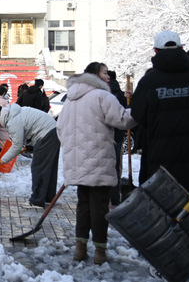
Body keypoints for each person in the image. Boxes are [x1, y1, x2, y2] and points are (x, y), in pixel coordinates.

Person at [130, 31, 189, 282]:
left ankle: (174, 270)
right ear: (182, 49)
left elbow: (138, 116)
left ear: (155, 52)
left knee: (170, 220)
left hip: (165, 169)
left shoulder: (149, 82)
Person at [56, 62, 136, 265]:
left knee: (83, 204)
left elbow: (60, 129)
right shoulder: (103, 96)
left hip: (77, 160)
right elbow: (123, 120)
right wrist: (136, 106)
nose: (108, 77)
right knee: (100, 205)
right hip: (99, 158)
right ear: (94, 75)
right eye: (105, 73)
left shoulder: (70, 99)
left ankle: (80, 248)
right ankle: (100, 250)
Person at [0, 102, 59, 208]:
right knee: (49, 168)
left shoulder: (12, 121)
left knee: (39, 168)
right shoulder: (13, 113)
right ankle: (48, 197)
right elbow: (28, 130)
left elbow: (17, 146)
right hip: (53, 131)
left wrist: (3, 159)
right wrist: (30, 146)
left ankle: (37, 201)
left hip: (46, 134)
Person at [106, 70, 128, 206]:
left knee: (106, 165)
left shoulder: (106, 94)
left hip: (106, 134)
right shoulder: (120, 93)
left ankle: (108, 195)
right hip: (118, 134)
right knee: (116, 165)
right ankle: (115, 195)